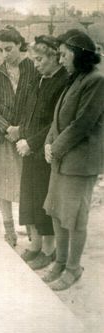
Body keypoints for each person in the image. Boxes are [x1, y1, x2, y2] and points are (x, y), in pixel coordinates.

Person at [43, 30, 104, 290]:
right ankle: (60, 261)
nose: (61, 59)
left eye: (64, 55)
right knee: (57, 213)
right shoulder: (75, 77)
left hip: (79, 162)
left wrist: (55, 148)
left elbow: (82, 124)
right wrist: (48, 143)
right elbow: (58, 118)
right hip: (62, 158)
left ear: (78, 55)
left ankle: (73, 268)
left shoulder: (96, 80)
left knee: (75, 218)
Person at [16, 36, 68, 269]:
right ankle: (35, 245)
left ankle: (49, 249)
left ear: (54, 57)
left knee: (44, 200)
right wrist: (22, 135)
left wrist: (33, 143)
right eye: (33, 60)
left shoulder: (63, 82)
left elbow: (56, 123)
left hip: (46, 150)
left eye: (39, 60)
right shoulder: (38, 79)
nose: (36, 64)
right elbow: (29, 113)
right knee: (29, 197)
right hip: (29, 148)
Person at [0, 25, 38, 247]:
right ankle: (9, 230)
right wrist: (7, 128)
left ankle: (31, 228)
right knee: (2, 185)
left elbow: (36, 105)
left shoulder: (33, 69)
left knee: (26, 184)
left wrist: (21, 130)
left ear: (20, 45)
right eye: (1, 50)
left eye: (9, 49)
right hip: (0, 137)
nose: (5, 55)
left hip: (25, 138)